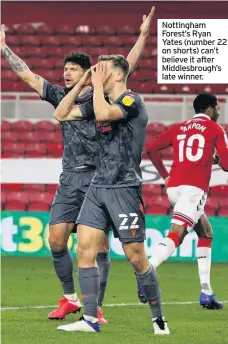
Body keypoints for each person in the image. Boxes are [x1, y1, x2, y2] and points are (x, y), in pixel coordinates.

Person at [0, 7, 155, 323]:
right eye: (65, 69)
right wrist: (3, 48)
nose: (65, 73)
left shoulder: (105, 96)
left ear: (89, 71)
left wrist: (142, 36)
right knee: (56, 239)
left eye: (72, 69)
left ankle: (93, 306)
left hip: (101, 177)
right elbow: (27, 73)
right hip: (70, 177)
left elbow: (129, 65)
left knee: (97, 248)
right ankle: (70, 298)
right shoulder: (60, 96)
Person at [56, 56, 170, 335]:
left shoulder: (132, 101)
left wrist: (94, 86)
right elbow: (60, 114)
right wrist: (84, 80)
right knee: (85, 249)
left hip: (125, 188)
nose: (97, 73)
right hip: (98, 187)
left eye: (102, 70)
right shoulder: (97, 101)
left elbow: (106, 115)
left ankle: (158, 319)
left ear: (118, 76)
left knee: (136, 259)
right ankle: (90, 319)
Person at [137, 93, 228, 309]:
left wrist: (165, 176)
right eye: (217, 107)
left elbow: (150, 149)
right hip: (193, 190)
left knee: (205, 232)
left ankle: (206, 292)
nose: (219, 111)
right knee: (176, 235)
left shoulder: (181, 127)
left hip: (175, 188)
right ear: (208, 110)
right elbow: (226, 165)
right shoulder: (216, 129)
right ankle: (145, 271)